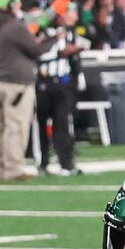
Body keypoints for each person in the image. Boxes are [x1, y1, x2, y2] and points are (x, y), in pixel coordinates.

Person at [0, 0, 56, 181]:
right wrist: (55, 39)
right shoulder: (14, 27)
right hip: (16, 85)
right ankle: (13, 169)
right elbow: (35, 50)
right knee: (15, 127)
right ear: (11, 3)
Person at [34, 15, 84, 176]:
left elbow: (68, 51)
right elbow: (40, 52)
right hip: (43, 82)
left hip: (61, 83)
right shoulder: (38, 31)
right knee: (41, 125)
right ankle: (42, 162)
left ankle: (66, 163)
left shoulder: (67, 32)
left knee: (62, 123)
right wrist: (64, 46)